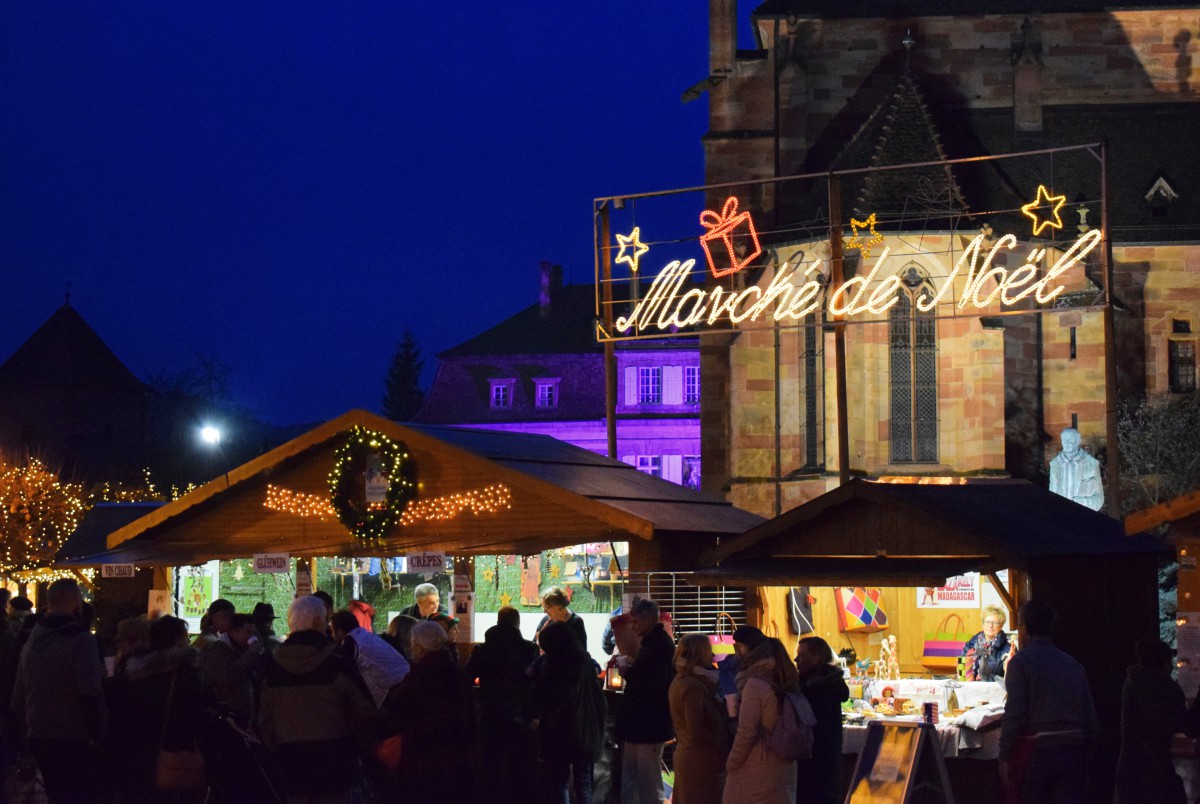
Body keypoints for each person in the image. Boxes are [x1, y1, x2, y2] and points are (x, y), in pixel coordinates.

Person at [258, 595, 375, 804]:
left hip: (291, 764)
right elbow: (365, 710)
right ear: (318, 622)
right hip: (336, 762)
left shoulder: (271, 667)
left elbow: (263, 720)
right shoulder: (337, 662)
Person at [10, 578, 106, 803]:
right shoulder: (81, 641)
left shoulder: (29, 645)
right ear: (74, 602)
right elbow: (89, 691)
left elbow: (18, 698)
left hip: (39, 734)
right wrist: (97, 732)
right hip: (75, 737)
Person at [999, 599, 1097, 803]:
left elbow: (1015, 714)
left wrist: (1005, 756)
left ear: (1024, 628)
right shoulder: (1074, 664)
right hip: (1074, 751)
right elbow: (1091, 718)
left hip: (1037, 753)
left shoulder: (1021, 663)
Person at [106, 615, 206, 804]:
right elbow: (192, 710)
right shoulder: (183, 670)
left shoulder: (134, 670)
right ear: (177, 639)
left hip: (134, 748)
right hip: (172, 745)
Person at [381, 620, 475, 801]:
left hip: (423, 763)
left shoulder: (416, 678)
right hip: (457, 762)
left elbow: (395, 714)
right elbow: (470, 718)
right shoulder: (458, 674)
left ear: (418, 647)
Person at [465, 607, 539, 804]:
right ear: (517, 623)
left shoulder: (482, 650)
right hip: (519, 715)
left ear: (498, 622)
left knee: (491, 767)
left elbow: (466, 678)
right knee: (519, 767)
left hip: (490, 714)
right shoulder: (529, 649)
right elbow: (536, 683)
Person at [531, 621, 606, 804]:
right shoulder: (585, 661)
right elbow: (598, 696)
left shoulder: (551, 665)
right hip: (584, 730)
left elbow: (541, 693)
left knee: (560, 783)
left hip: (558, 731)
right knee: (584, 783)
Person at [724, 638, 799, 804]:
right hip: (786, 762)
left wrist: (732, 763)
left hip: (758, 763)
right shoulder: (789, 682)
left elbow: (746, 732)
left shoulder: (756, 685)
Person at [615, 598, 675, 804]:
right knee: (635, 777)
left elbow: (647, 684)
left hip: (647, 724)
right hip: (641, 725)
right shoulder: (654, 643)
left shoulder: (657, 646)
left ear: (649, 620)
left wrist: (627, 671)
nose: (632, 626)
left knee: (648, 782)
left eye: (636, 621)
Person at [1115, 638, 1186, 804]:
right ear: (1164, 664)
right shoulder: (1167, 688)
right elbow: (1186, 724)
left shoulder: (1132, 682)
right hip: (1157, 771)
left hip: (1129, 769)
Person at [668, 634, 730, 804]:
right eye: (709, 652)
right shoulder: (692, 686)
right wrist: (720, 743)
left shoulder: (681, 680)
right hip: (700, 762)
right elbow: (695, 729)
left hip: (691, 756)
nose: (712, 656)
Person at [794, 636, 849, 804]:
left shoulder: (819, 689)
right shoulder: (822, 684)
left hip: (817, 762)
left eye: (801, 655)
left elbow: (818, 731)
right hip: (825, 761)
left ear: (816, 658)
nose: (796, 659)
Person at [330, 609, 410, 708]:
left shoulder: (351, 642)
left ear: (340, 631)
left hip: (391, 692)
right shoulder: (367, 636)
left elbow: (344, 671)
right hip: (405, 681)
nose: (331, 635)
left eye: (332, 630)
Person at [197, 612, 265, 727]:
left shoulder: (243, 650)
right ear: (233, 632)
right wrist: (251, 653)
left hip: (245, 718)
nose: (251, 636)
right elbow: (228, 676)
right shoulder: (217, 651)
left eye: (254, 633)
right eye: (247, 632)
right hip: (225, 720)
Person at [1048, 427, 1104, 511]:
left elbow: (1099, 498)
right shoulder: (1055, 464)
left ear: (1078, 441)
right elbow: (1052, 498)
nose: (1067, 443)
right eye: (1064, 440)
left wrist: (1084, 502)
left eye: (1070, 439)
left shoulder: (1091, 464)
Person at [961, 605, 1012, 681]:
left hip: (994, 690)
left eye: (995, 623)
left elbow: (1010, 678)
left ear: (1001, 626)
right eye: (987, 622)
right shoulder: (970, 644)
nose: (990, 626)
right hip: (969, 689)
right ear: (983, 624)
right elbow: (961, 670)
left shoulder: (1008, 649)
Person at [536, 586, 588, 650]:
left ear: (559, 605)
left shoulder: (576, 622)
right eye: (543, 607)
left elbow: (581, 652)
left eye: (548, 607)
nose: (544, 611)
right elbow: (535, 645)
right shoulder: (545, 620)